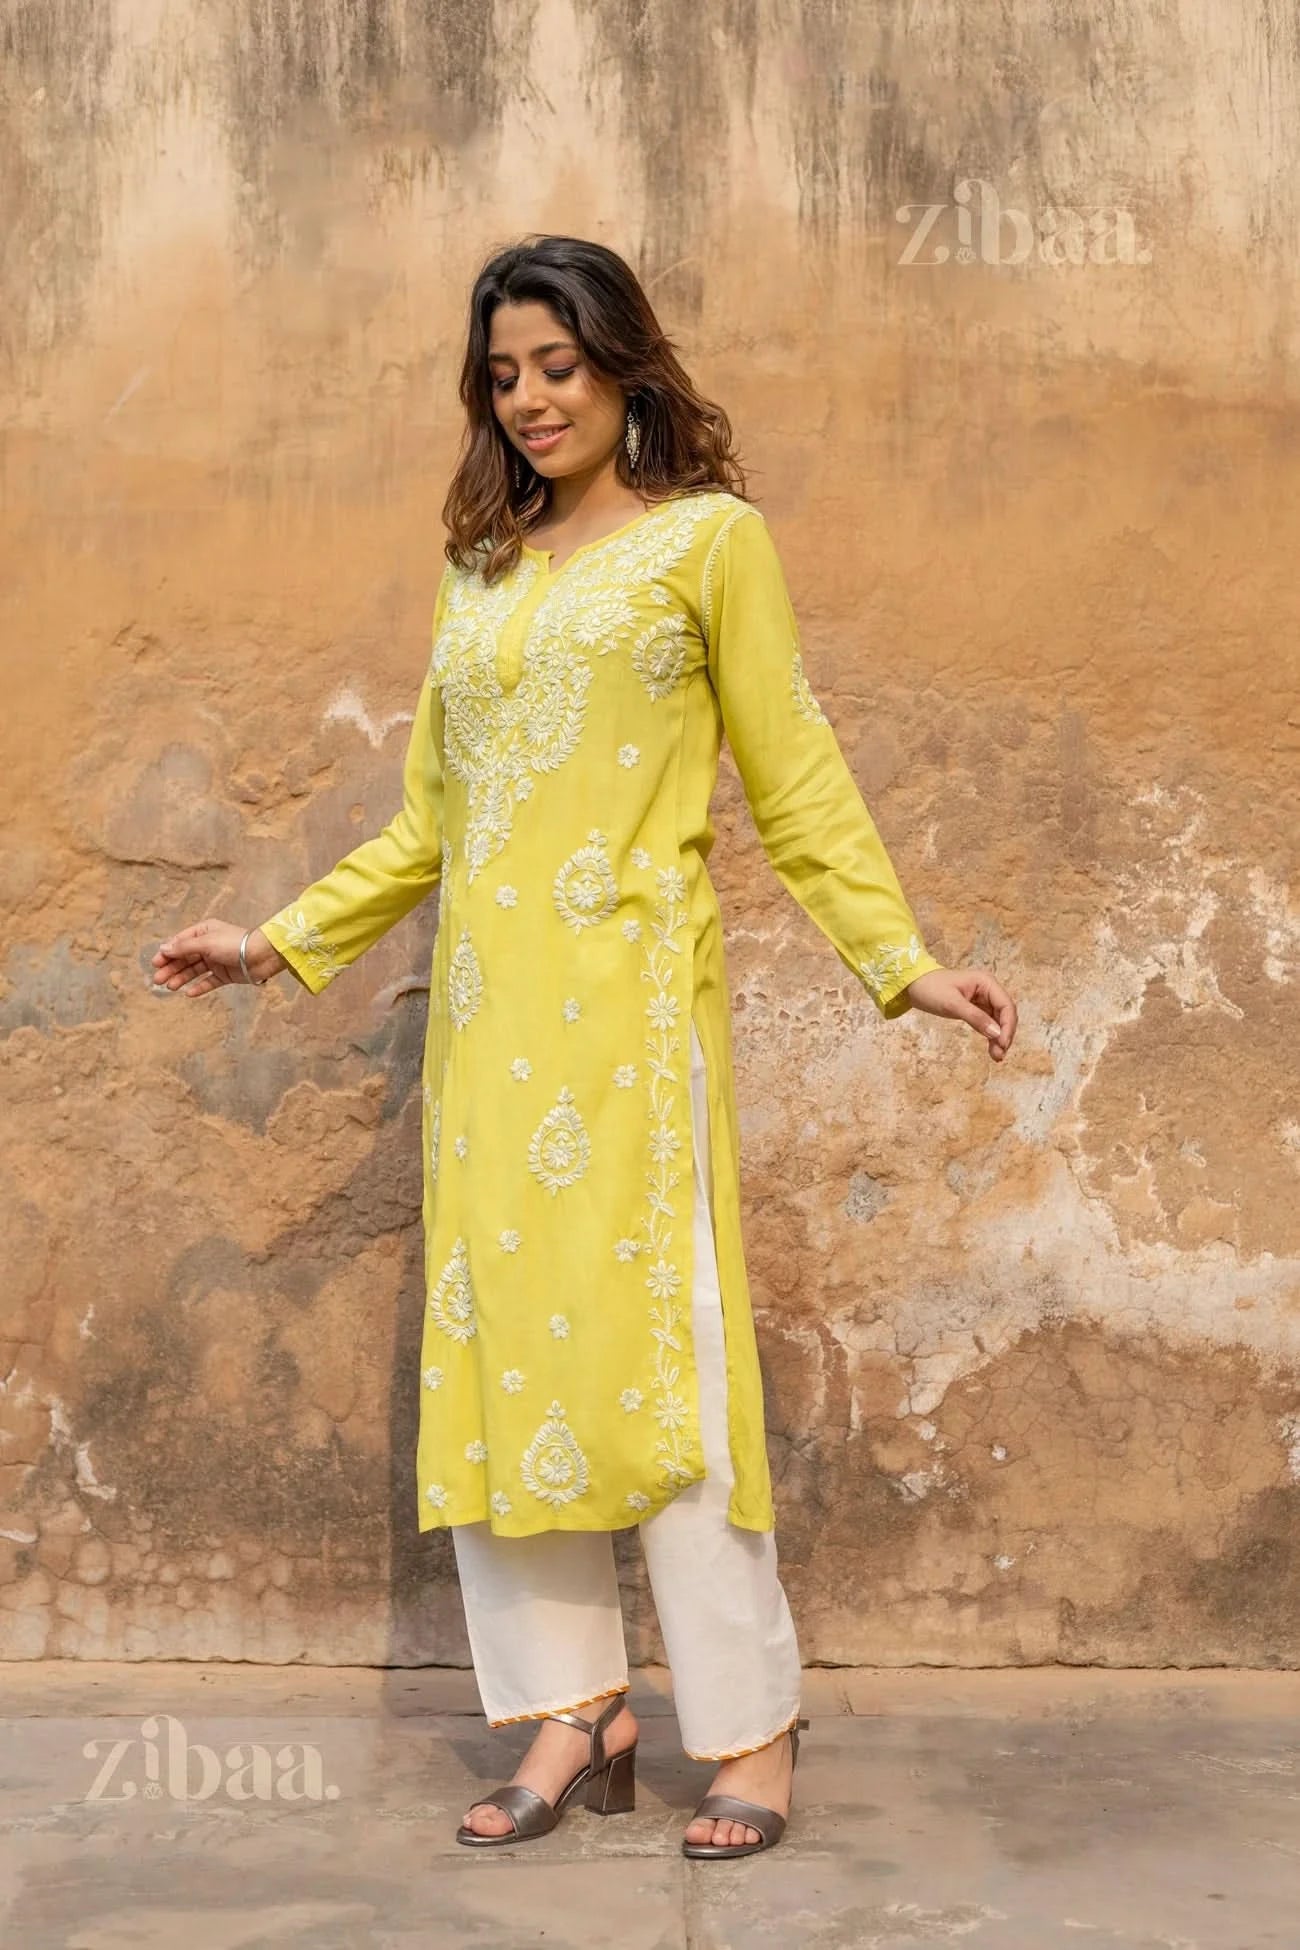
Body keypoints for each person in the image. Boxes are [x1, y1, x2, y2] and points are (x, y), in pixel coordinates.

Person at [151, 233, 1018, 1858]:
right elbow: (427, 820)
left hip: (630, 1024)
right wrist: (274, 940)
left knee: (671, 1371)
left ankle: (749, 1731)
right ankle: (575, 1712)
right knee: (509, 1368)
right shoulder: (479, 569)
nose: (533, 398)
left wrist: (903, 966)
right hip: (488, 1043)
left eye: (559, 364)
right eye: (504, 374)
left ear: (624, 363)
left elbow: (797, 773)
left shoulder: (710, 546)